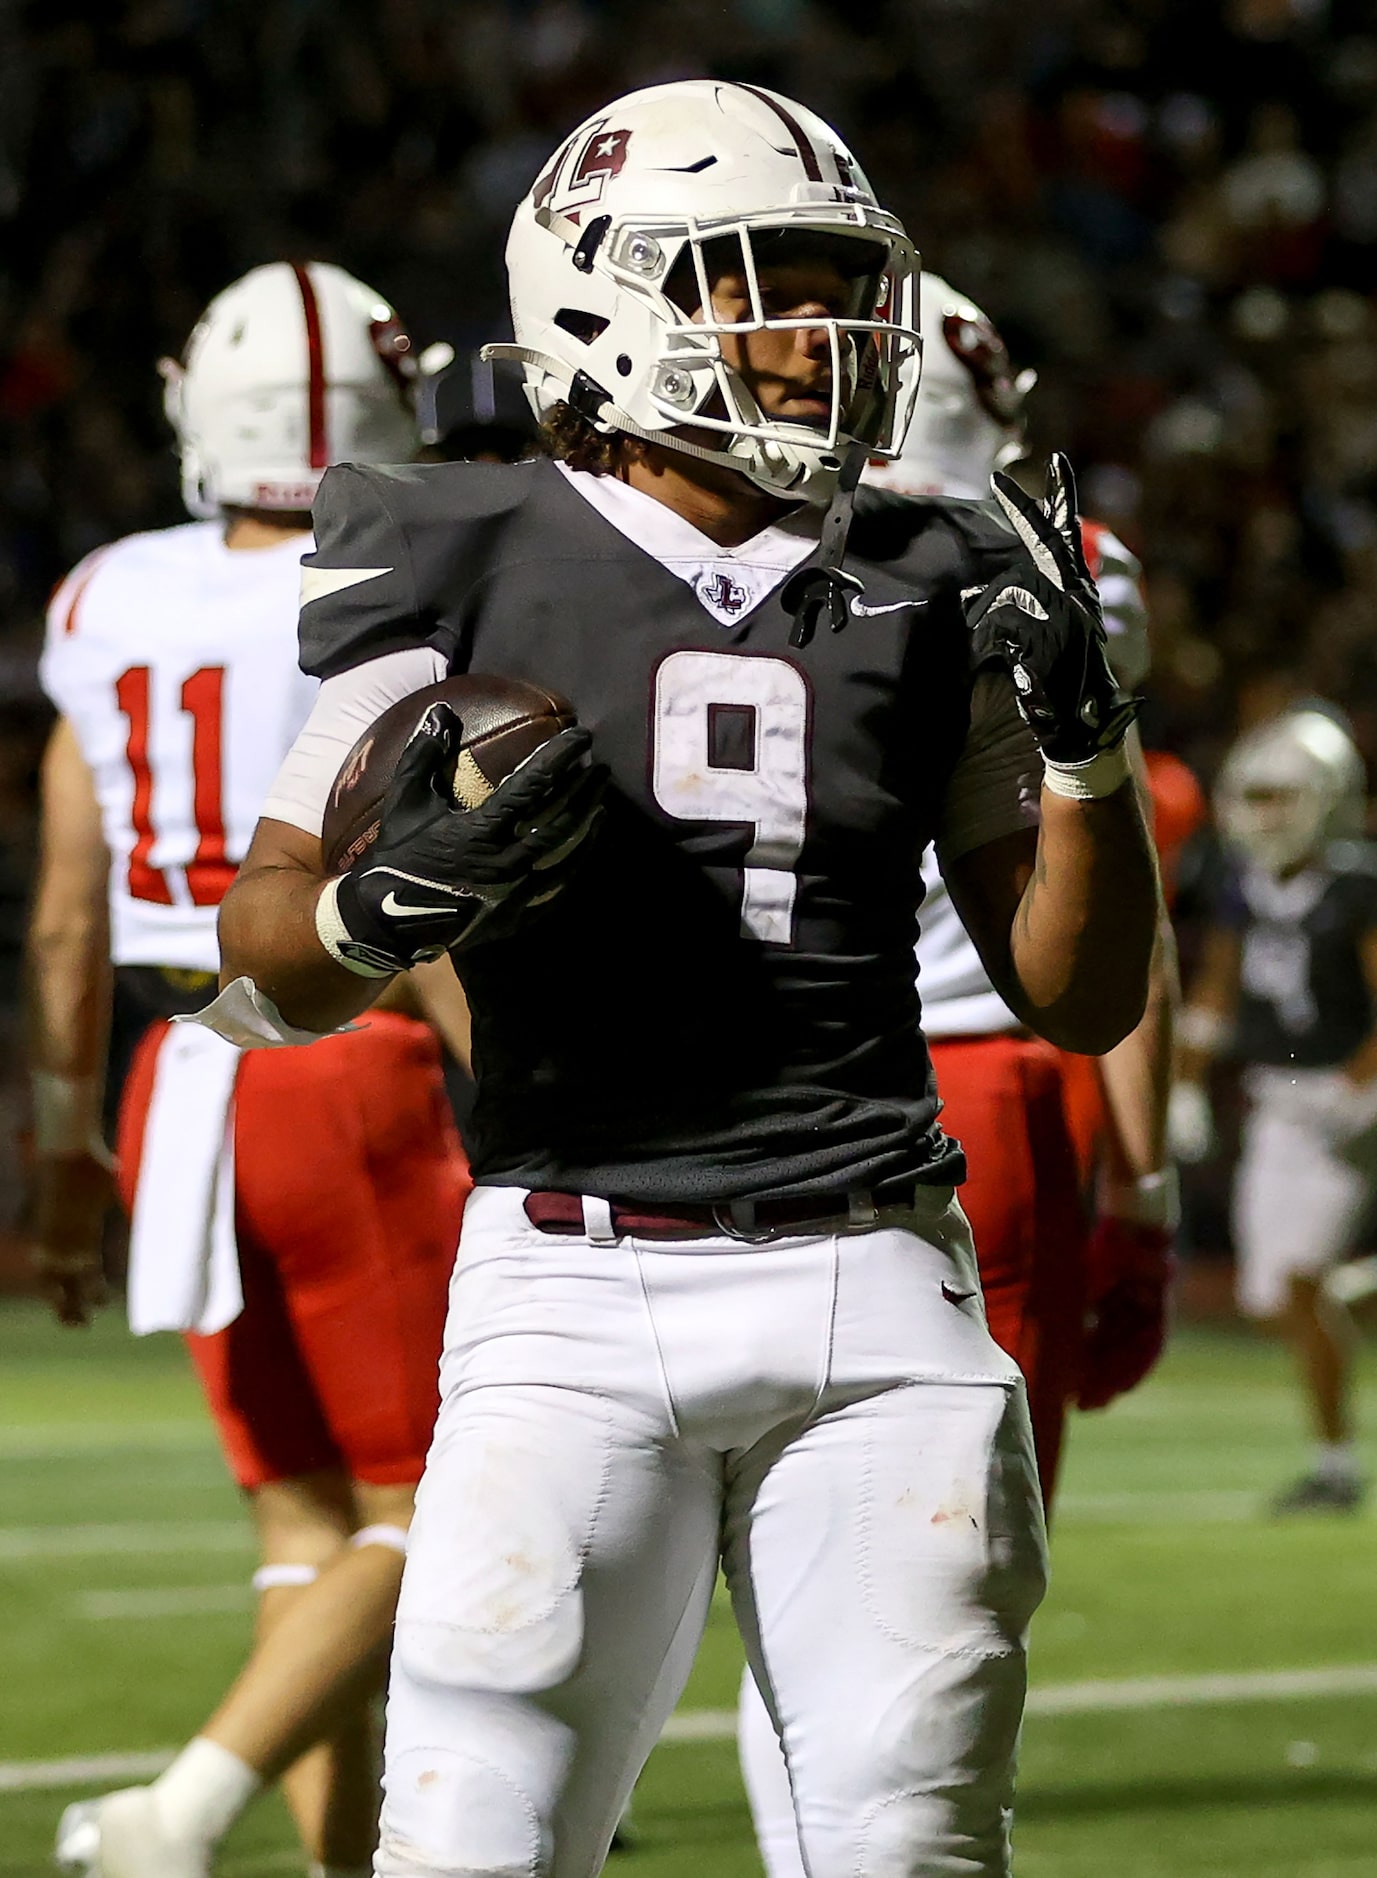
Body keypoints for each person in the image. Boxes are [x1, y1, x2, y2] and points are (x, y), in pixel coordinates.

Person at [207, 82, 1158, 1878]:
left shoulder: (930, 570)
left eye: (838, 288)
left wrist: (1090, 760)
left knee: (907, 1847)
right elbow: (268, 938)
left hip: (878, 1274)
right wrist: (370, 912)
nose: (826, 339)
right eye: (765, 284)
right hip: (571, 1276)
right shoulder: (448, 546)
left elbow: (1075, 990)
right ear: (603, 296)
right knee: (476, 1845)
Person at [28, 261, 471, 1878]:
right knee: (435, 1510)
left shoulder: (101, 594)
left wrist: (65, 1144)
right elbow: (434, 888)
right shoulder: (407, 578)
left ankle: (339, 1867)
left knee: (301, 1527)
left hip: (174, 1074)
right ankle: (180, 1811)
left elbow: (69, 923)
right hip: (336, 1057)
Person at [736, 267, 1179, 1878]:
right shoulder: (1041, 559)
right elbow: (1118, 909)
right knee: (947, 1551)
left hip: (761, 1078)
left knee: (790, 1528)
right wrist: (1153, 1172)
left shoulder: (728, 535)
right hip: (978, 1072)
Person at [1173, 705, 1376, 1514]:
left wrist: (1363, 1085)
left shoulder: (1358, 885)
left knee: (1295, 1285)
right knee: (1271, 1300)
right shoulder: (1241, 886)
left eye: (1282, 798)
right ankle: (1352, 1292)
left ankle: (1332, 1467)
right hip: (1277, 1100)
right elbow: (1215, 996)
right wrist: (1186, 1083)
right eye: (1253, 798)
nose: (1266, 817)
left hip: (1344, 1097)